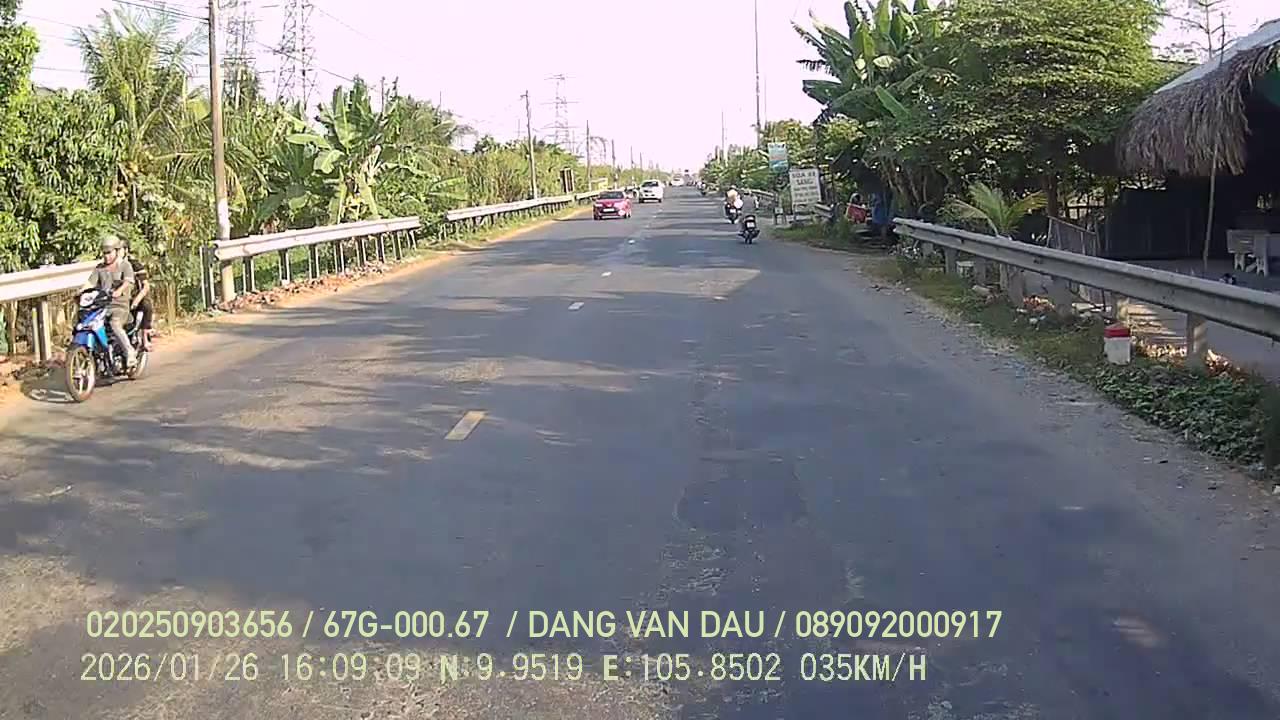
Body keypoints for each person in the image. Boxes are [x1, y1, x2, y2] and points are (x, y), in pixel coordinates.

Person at [81, 235, 137, 370]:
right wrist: (81, 292)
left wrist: (120, 290)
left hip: (120, 306)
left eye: (109, 252)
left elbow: (129, 281)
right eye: (104, 253)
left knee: (114, 324)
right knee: (85, 322)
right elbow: (90, 283)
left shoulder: (125, 265)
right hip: (102, 307)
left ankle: (130, 352)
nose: (106, 256)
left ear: (117, 251)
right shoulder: (99, 268)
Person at [127, 247, 155, 350]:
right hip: (119, 300)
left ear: (125, 250)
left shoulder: (134, 265)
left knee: (147, 305)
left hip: (134, 298)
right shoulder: (111, 265)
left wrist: (136, 300)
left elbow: (146, 286)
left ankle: (145, 338)